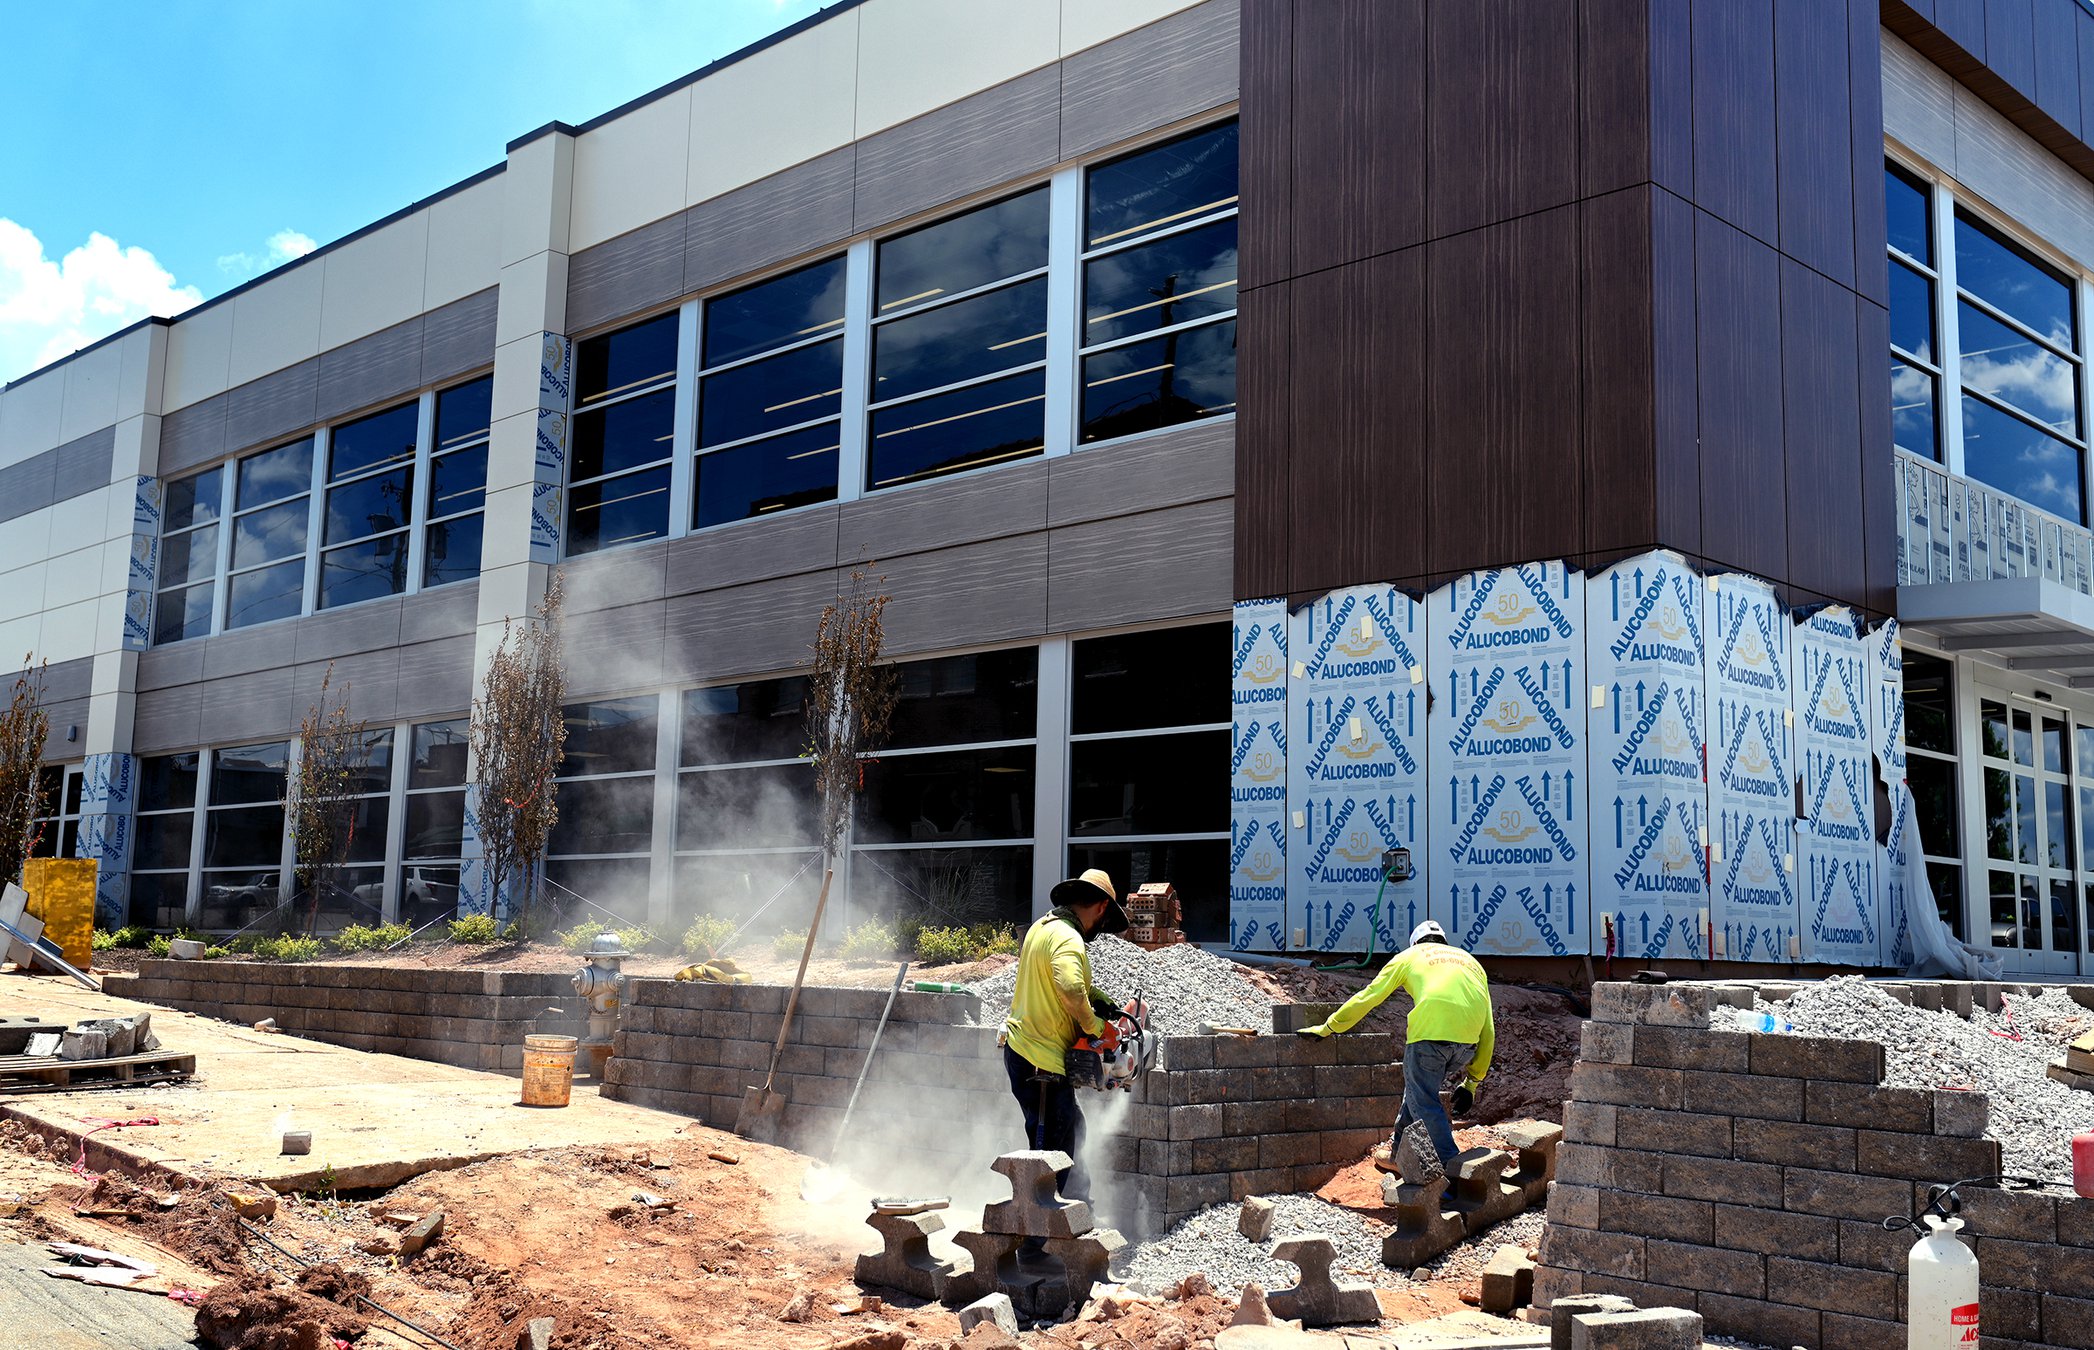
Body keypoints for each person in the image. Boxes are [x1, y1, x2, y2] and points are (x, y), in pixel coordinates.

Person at [1295, 919, 1494, 1170]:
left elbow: (1368, 997)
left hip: (1429, 1038)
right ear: (1444, 941)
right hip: (1467, 1046)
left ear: (1415, 942)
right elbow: (1488, 1028)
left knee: (1424, 1101)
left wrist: (1329, 1027)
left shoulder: (1408, 956)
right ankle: (1398, 1155)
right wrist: (1472, 1083)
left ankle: (1452, 1167)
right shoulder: (1472, 962)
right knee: (1416, 1090)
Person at [1001, 868, 1128, 1210]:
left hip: (1024, 1050)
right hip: (1041, 1061)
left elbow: (1065, 984)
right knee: (1050, 1156)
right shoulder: (1069, 939)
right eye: (1104, 918)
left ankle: (1075, 1207)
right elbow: (1070, 988)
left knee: (1073, 1128)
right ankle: (1036, 1244)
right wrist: (1097, 1027)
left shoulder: (1042, 928)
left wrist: (1099, 1000)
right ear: (1101, 907)